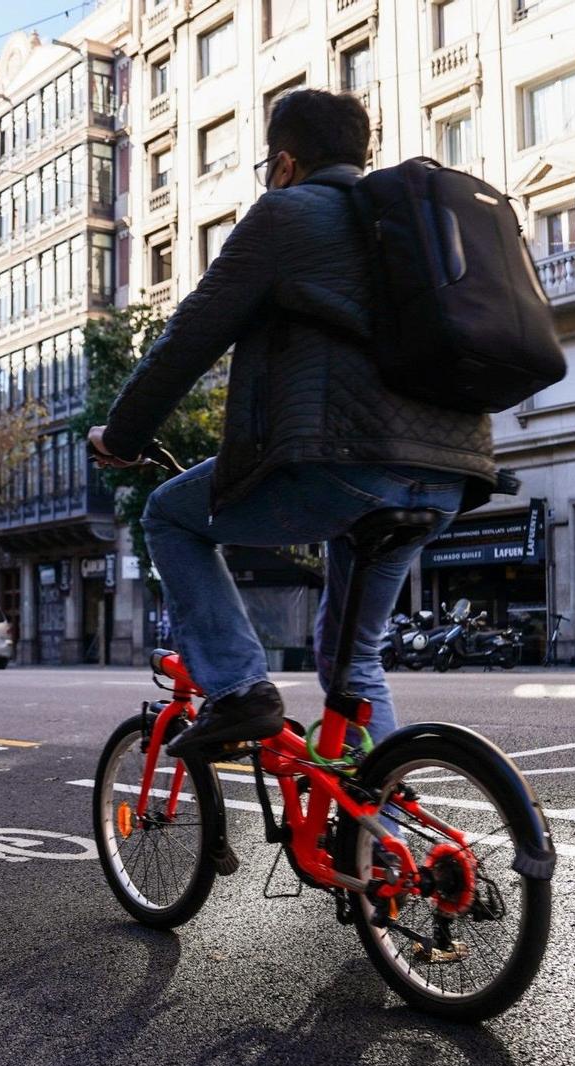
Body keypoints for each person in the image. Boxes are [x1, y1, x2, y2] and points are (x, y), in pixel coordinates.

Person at [88, 90, 495, 763]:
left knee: (168, 515)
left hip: (344, 463)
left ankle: (242, 687)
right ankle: (377, 839)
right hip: (452, 472)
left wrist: (122, 436)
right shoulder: (414, 226)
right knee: (352, 658)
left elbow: (188, 338)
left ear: (283, 163)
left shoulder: (285, 215)